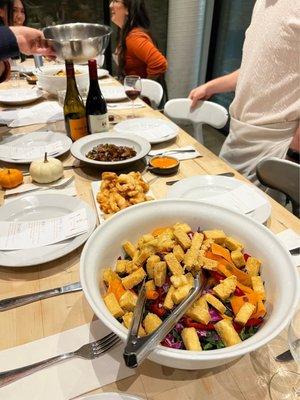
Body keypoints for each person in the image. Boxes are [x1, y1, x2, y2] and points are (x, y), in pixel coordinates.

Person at [189, 0, 300, 185]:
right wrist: (210, 87)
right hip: (238, 136)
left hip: (273, 146)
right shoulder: (261, 4)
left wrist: (294, 156)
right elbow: (255, 67)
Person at [110, 0, 167, 80]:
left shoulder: (134, 38)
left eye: (116, 1)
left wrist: (145, 87)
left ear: (127, 9)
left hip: (137, 91)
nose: (110, 5)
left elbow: (160, 63)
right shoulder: (126, 32)